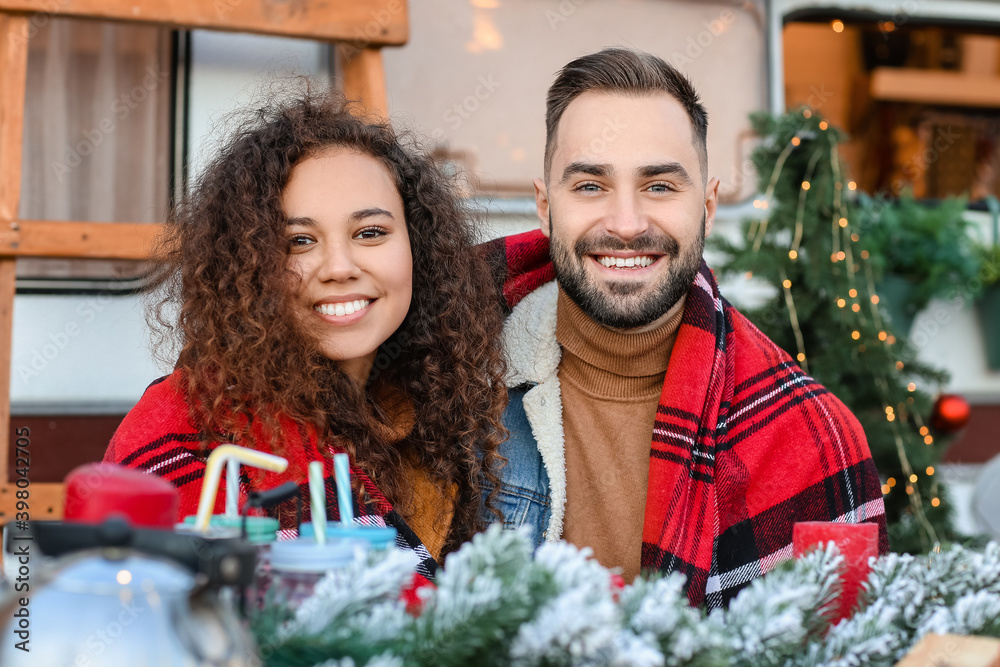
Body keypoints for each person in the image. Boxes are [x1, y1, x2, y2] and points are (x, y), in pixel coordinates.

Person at [481, 48, 888, 607]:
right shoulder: (448, 389)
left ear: (709, 206)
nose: (626, 225)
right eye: (591, 186)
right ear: (546, 206)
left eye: (660, 186)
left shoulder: (814, 439)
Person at [105, 91, 508, 577]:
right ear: (248, 267)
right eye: (298, 242)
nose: (339, 268)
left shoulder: (439, 419)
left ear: (418, 247)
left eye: (370, 233)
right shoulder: (185, 426)